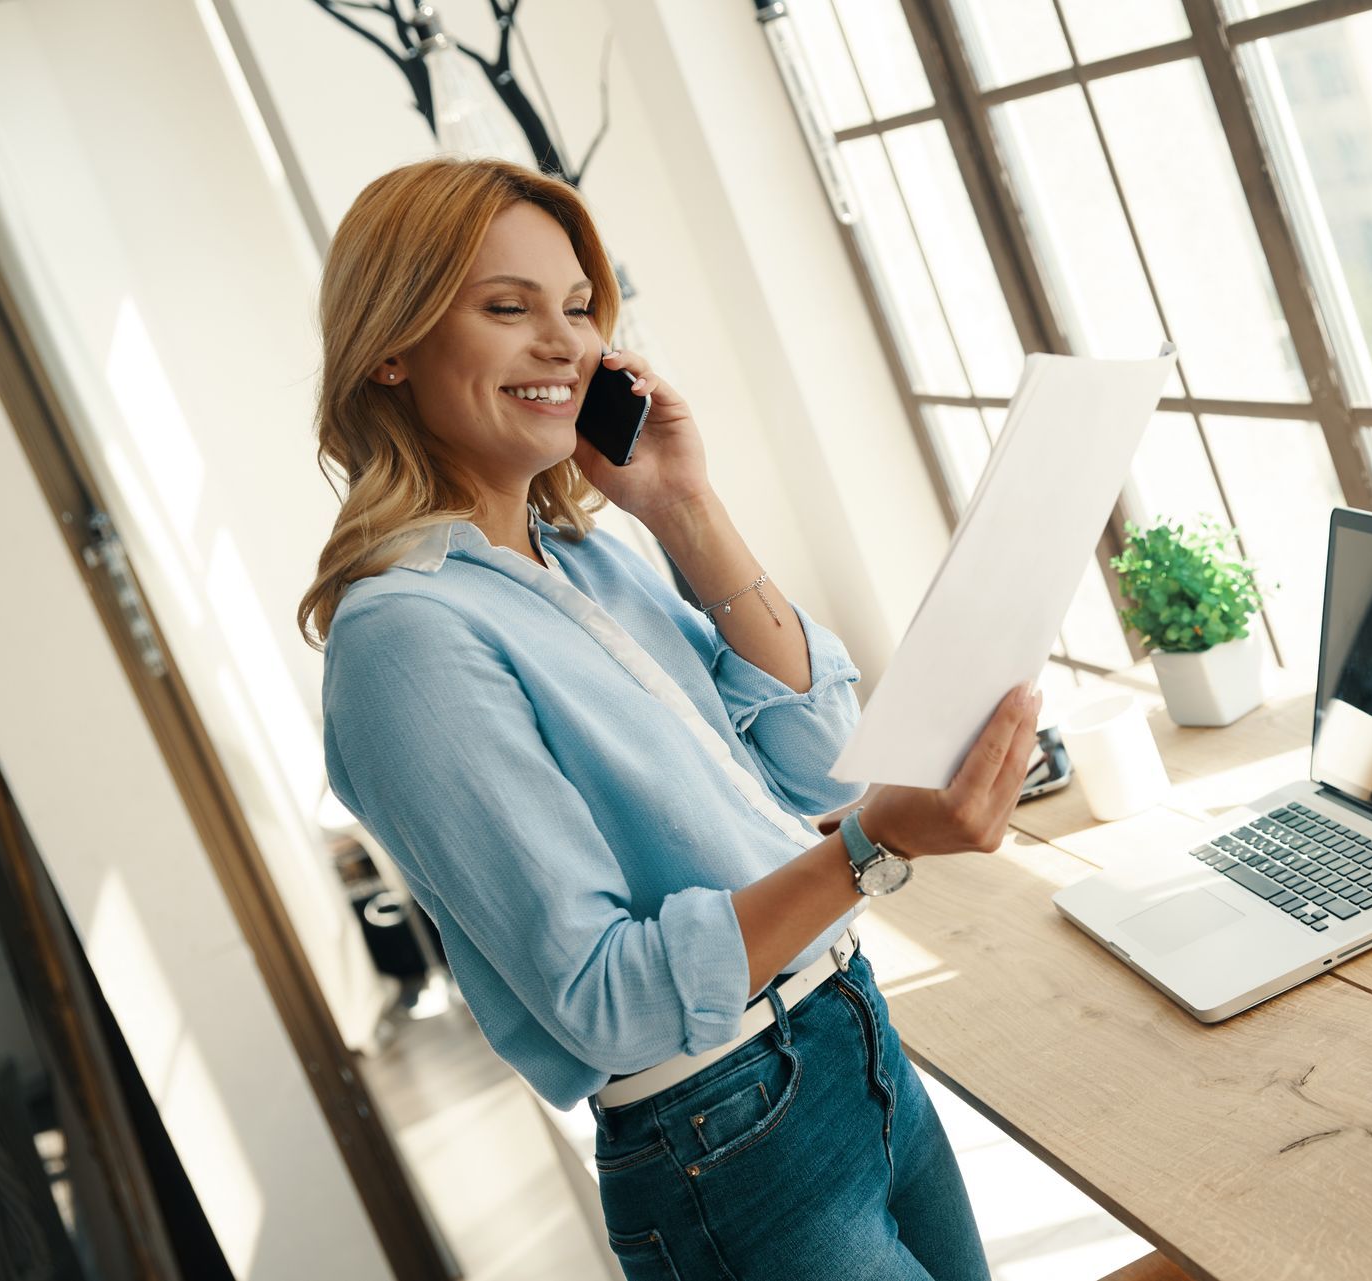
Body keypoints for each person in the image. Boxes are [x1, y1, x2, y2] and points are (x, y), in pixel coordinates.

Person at [299, 157, 1039, 1279]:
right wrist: (871, 851)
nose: (566, 343)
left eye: (582, 309)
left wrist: (688, 510)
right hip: (724, 1135)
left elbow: (815, 765)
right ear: (391, 346)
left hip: (849, 1035)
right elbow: (608, 1000)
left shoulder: (591, 555)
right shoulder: (406, 638)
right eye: (510, 308)